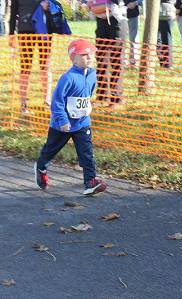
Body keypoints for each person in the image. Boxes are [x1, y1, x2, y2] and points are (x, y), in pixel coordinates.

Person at [34, 39, 107, 195]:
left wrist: (85, 109)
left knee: (87, 153)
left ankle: (90, 182)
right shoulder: (68, 78)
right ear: (74, 58)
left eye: (91, 54)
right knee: (50, 151)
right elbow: (57, 101)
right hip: (62, 125)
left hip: (82, 122)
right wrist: (62, 120)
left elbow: (88, 94)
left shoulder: (92, 74)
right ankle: (41, 167)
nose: (89, 58)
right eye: (84, 55)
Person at [87, 0, 127, 107]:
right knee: (101, 61)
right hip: (101, 22)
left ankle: (116, 98)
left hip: (116, 22)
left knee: (115, 62)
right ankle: (101, 96)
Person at [123, 0, 143, 67]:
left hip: (133, 14)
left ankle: (133, 62)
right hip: (119, 14)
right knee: (121, 39)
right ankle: (122, 62)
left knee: (133, 39)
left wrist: (136, 2)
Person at [157, 0, 176, 69]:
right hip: (156, 14)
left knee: (166, 39)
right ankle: (163, 62)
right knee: (156, 40)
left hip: (167, 13)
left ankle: (168, 64)